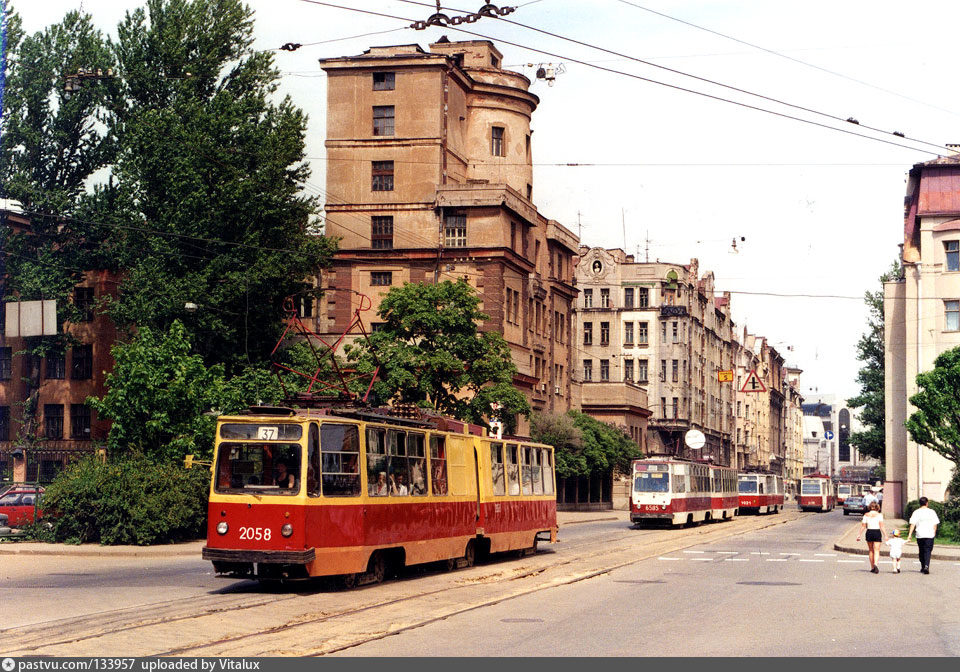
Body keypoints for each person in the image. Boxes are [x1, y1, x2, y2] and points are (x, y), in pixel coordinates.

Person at [907, 496, 940, 574]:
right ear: (927, 503)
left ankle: (923, 566)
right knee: (928, 550)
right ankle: (926, 566)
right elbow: (935, 523)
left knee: (921, 551)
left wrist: (909, 534)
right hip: (929, 534)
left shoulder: (916, 512)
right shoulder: (932, 512)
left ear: (920, 503)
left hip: (920, 534)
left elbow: (912, 524)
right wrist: (934, 532)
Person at [856, 501, 886, 573]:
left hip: (869, 532)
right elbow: (881, 526)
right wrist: (886, 535)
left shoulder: (866, 515)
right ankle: (875, 564)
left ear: (870, 507)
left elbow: (863, 526)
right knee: (877, 550)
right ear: (877, 507)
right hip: (877, 532)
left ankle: (872, 567)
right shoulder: (879, 515)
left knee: (871, 550)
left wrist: (859, 535)